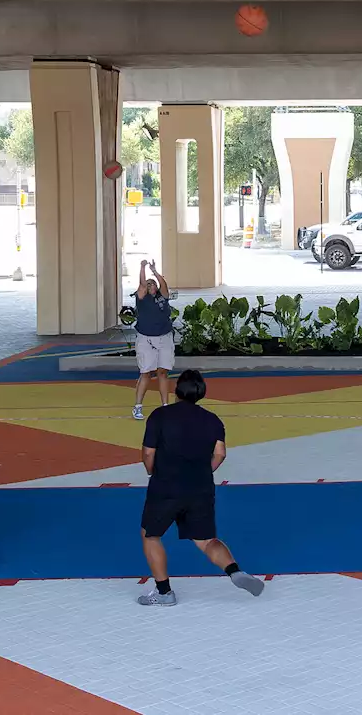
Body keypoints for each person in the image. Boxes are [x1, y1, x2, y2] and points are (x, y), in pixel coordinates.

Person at [137, 369, 264, 606]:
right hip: (200, 487)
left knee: (150, 535)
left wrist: (152, 471)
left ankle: (164, 592)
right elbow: (220, 453)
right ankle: (234, 571)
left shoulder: (159, 416)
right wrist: (204, 472)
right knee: (207, 540)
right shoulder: (213, 420)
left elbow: (147, 453)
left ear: (177, 390)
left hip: (166, 486)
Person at [133, 259, 173, 421]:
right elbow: (142, 284)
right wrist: (142, 267)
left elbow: (164, 285)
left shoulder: (163, 297)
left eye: (153, 284)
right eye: (148, 284)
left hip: (164, 337)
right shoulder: (142, 298)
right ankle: (138, 406)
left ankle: (165, 406)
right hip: (146, 339)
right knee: (146, 373)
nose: (151, 286)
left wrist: (155, 271)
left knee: (163, 372)